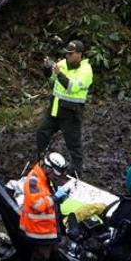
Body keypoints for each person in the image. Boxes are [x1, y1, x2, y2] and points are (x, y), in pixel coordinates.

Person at [35, 40, 94, 177]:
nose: (68, 56)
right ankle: (41, 161)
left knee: (74, 146)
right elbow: (51, 80)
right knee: (41, 133)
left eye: (71, 54)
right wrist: (46, 69)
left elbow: (71, 87)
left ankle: (76, 174)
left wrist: (58, 73)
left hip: (71, 113)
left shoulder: (86, 71)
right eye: (67, 53)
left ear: (79, 54)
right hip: (55, 109)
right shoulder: (61, 64)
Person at [19, 152, 70, 261]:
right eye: (53, 172)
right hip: (38, 232)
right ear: (47, 167)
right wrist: (54, 198)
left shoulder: (45, 179)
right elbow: (37, 205)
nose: (55, 176)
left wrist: (58, 199)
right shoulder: (33, 180)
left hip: (50, 231)